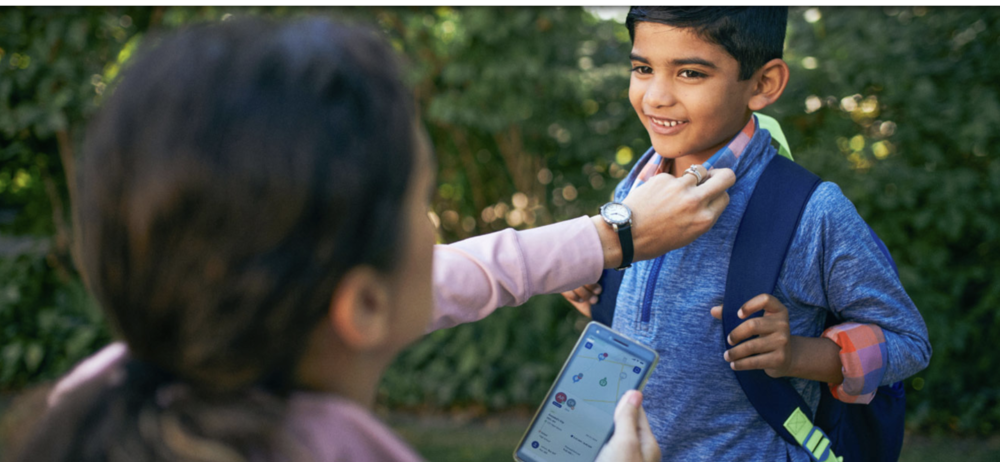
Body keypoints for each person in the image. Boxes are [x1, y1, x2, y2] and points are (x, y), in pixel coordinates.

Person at [10, 16, 736, 462]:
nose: (433, 237)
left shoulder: (99, 395)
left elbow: (460, 275)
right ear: (360, 305)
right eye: (418, 209)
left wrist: (610, 236)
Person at [561, 7, 931, 461]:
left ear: (763, 84)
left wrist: (797, 354)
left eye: (691, 73)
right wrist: (597, 289)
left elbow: (909, 342)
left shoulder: (810, 212)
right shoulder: (634, 189)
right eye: (642, 68)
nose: (655, 96)